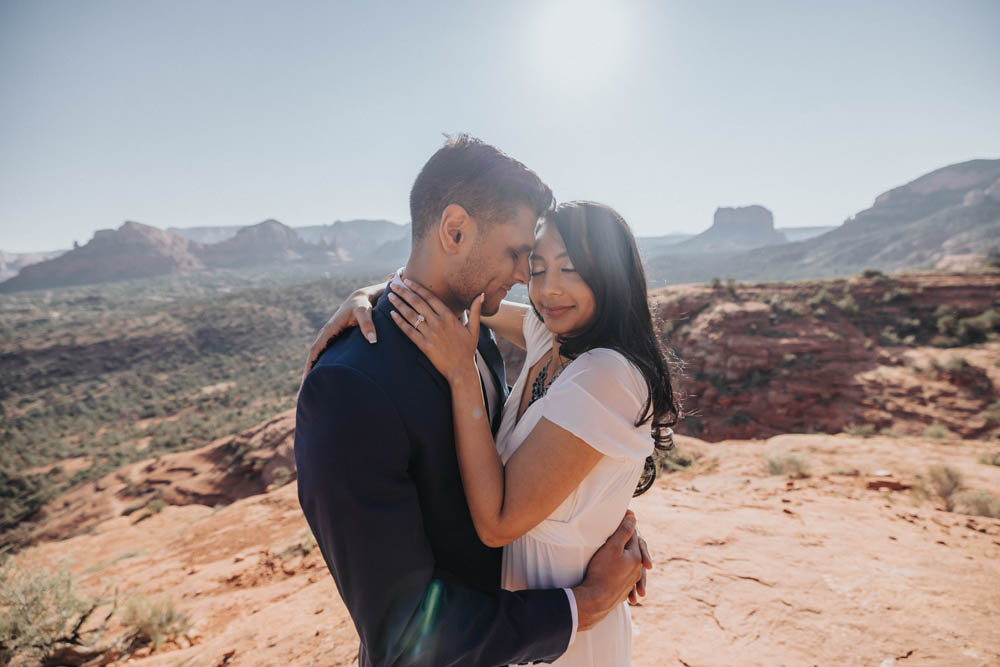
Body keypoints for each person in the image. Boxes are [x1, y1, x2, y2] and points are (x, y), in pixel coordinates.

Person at [295, 136, 649, 667]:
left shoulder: (472, 325)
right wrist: (585, 603)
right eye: (519, 256)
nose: (521, 280)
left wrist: (595, 524)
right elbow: (404, 635)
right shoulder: (349, 388)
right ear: (455, 229)